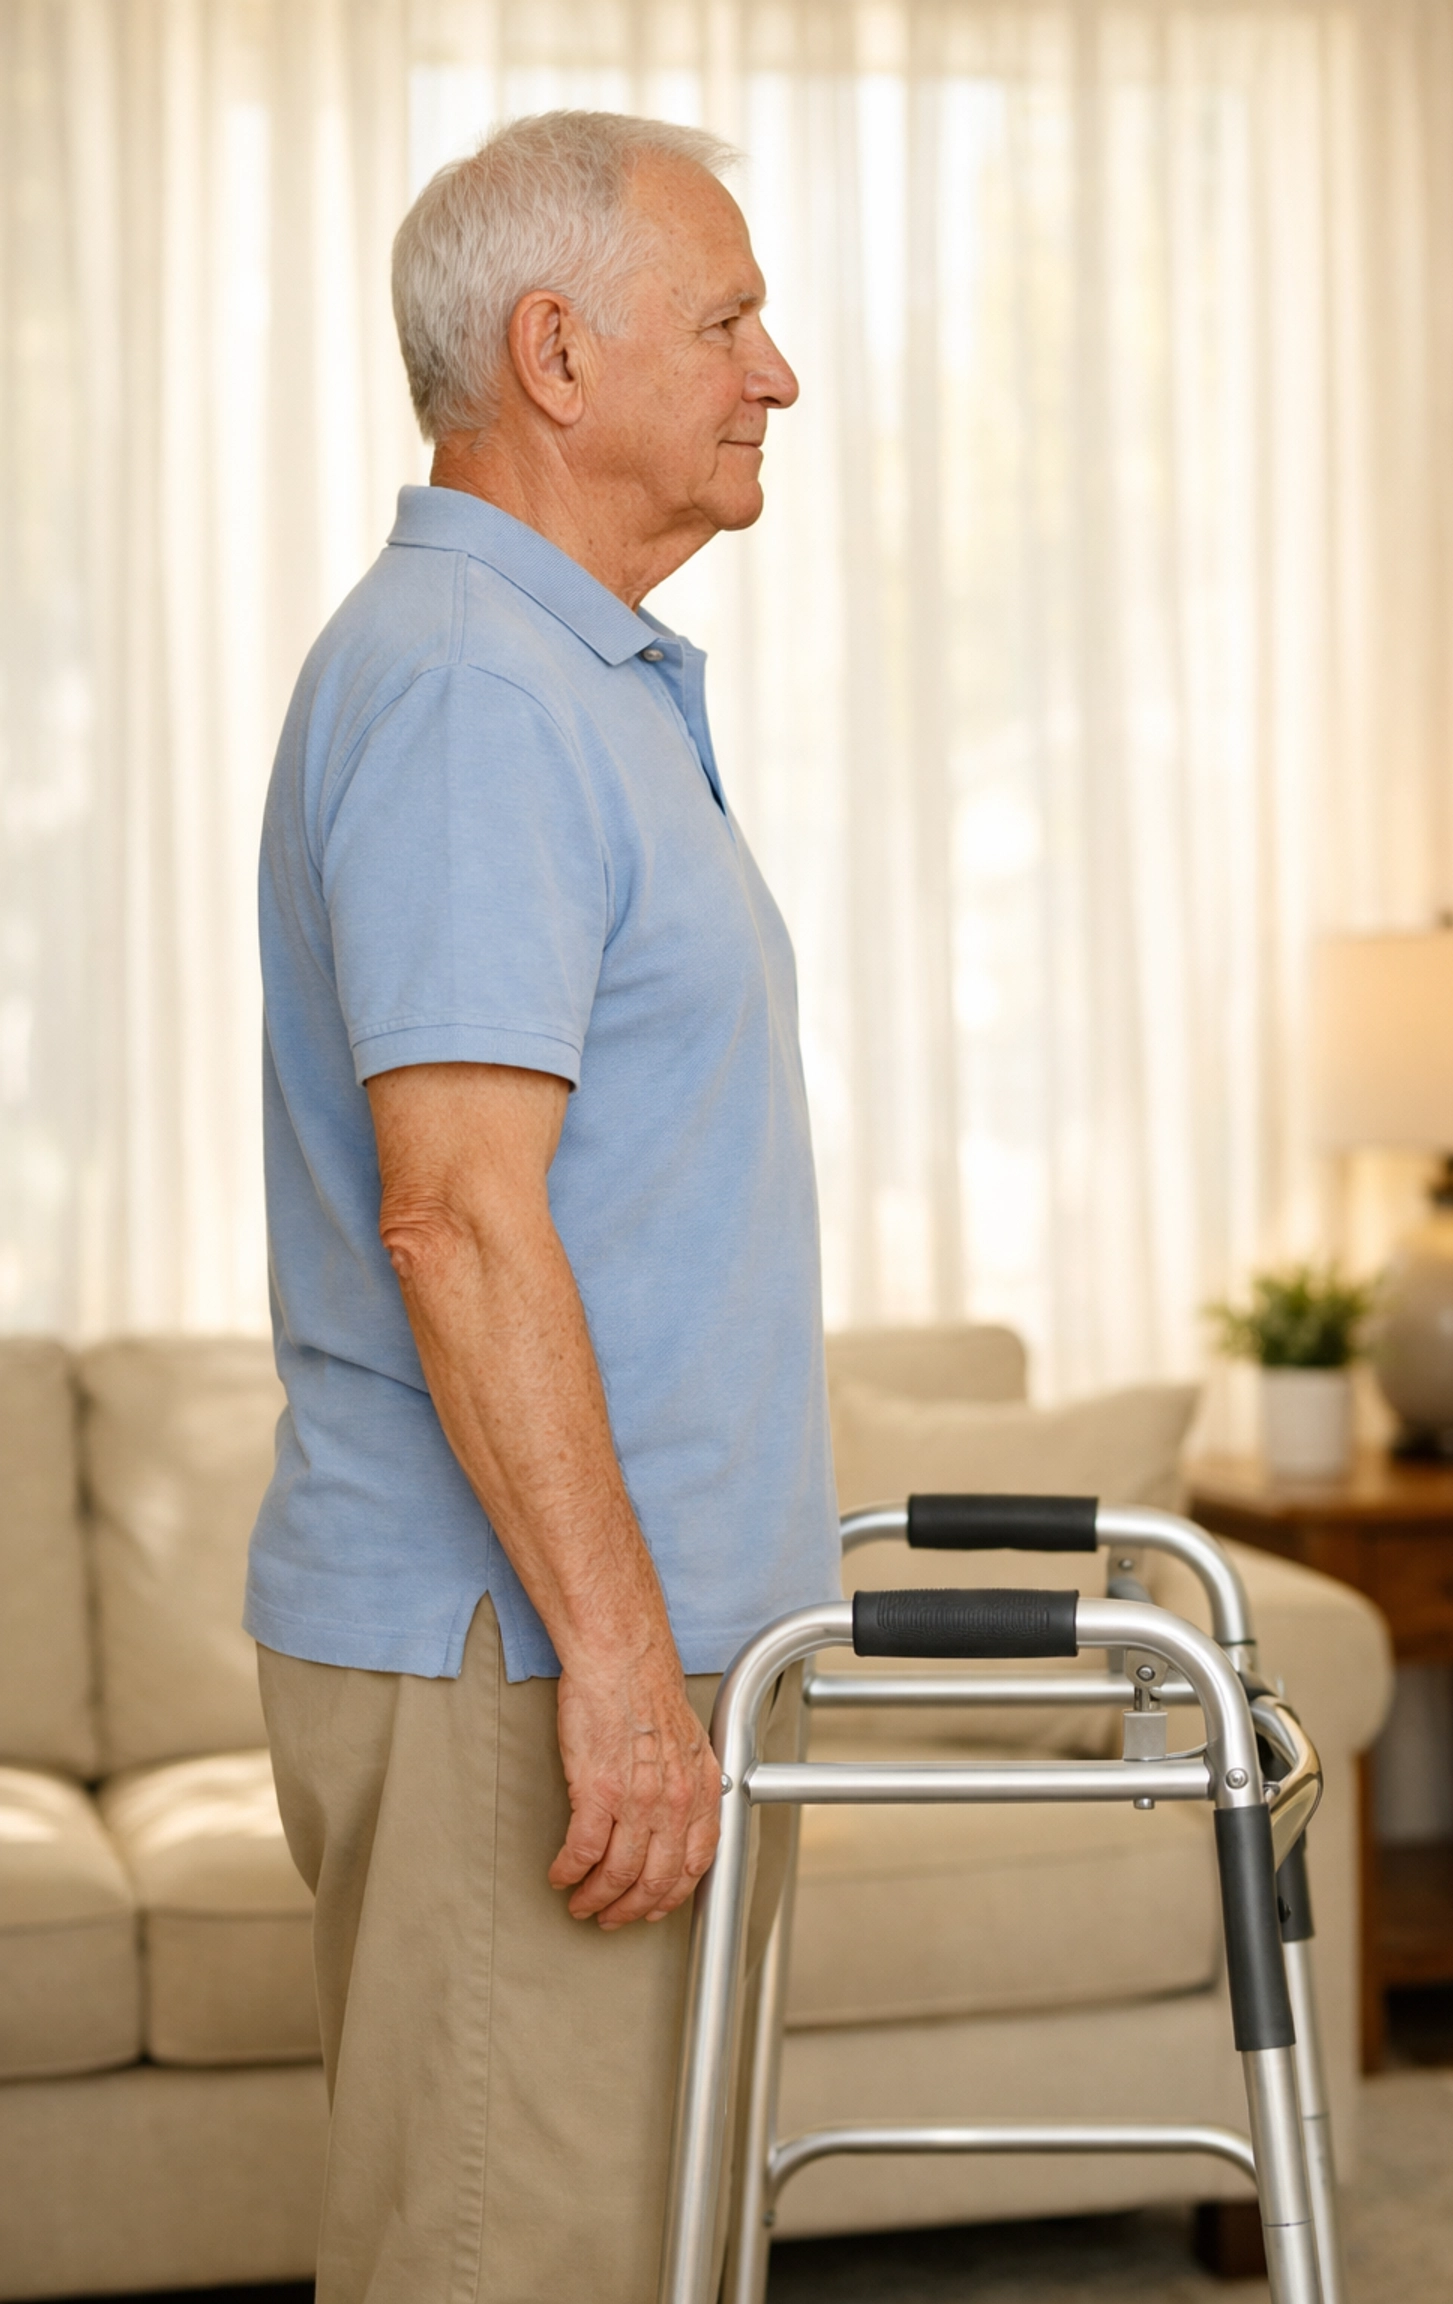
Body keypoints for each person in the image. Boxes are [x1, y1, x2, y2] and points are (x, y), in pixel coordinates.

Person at [246, 110, 839, 2304]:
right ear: (557, 355)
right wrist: (617, 1669)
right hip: (530, 1660)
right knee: (517, 2263)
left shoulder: (568, 678)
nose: (777, 373)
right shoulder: (476, 689)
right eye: (728, 319)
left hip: (611, 1648)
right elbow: (459, 1223)